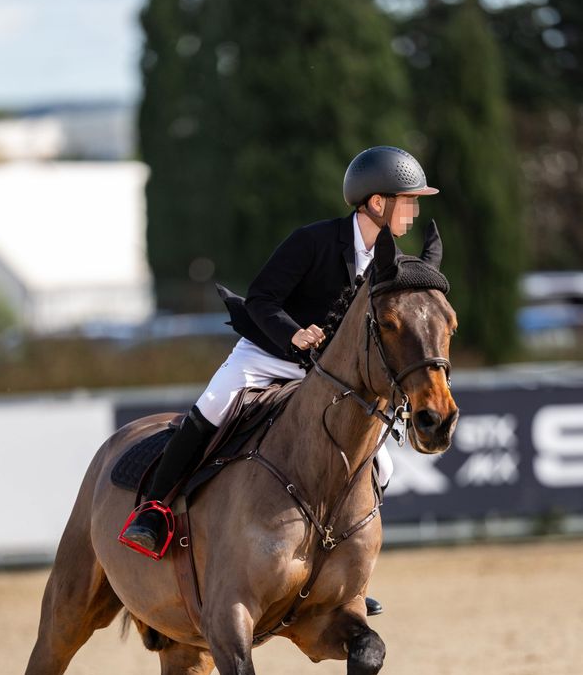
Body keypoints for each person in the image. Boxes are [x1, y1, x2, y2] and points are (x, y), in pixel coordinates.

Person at [123, 146, 439, 615]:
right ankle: (153, 510)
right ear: (377, 203)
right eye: (407, 200)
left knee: (384, 467)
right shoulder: (311, 242)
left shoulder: (393, 264)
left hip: (330, 377)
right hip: (268, 356)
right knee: (214, 405)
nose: (413, 210)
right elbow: (262, 300)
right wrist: (294, 333)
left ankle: (341, 569)